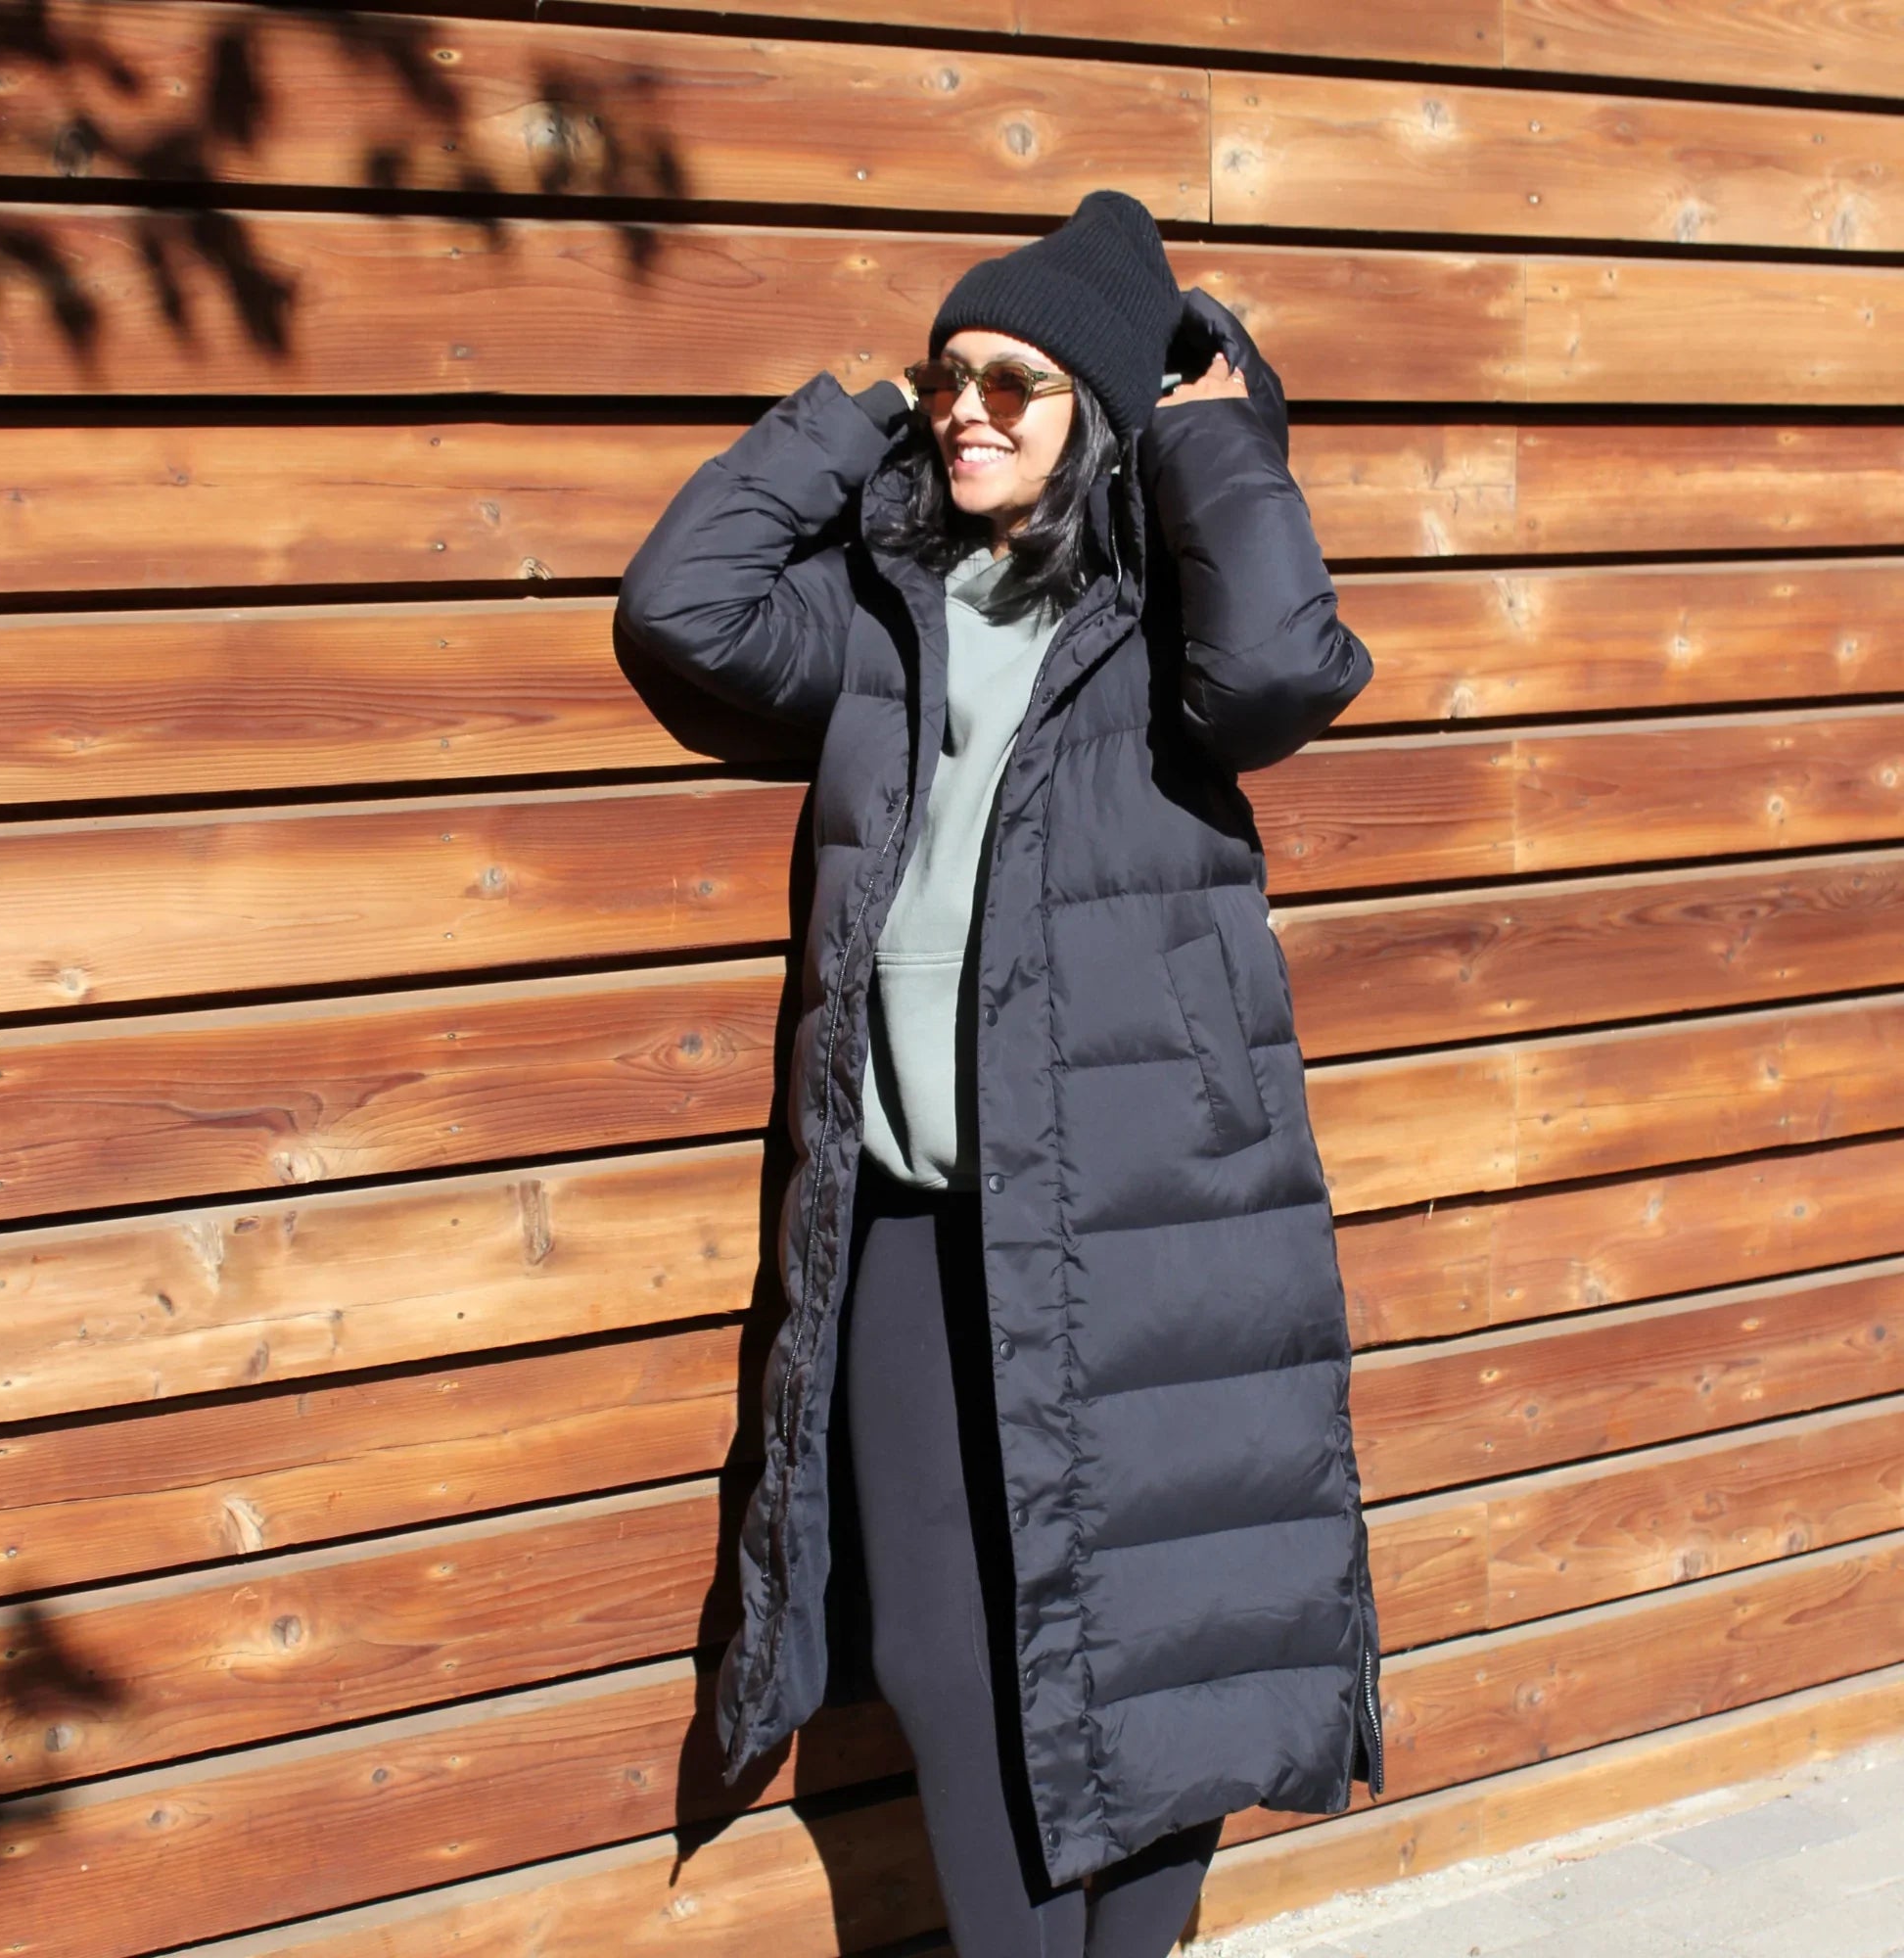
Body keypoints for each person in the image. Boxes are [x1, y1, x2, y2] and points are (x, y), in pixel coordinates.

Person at [618, 188, 1386, 1958]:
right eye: (945, 374)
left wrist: (1213, 429)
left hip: (1146, 1209)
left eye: (1012, 384)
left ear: (1098, 413)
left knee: (1171, 1639)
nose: (965, 408)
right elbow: (683, 606)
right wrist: (864, 417)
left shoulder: (1163, 621)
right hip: (910, 1217)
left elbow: (1286, 665)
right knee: (939, 1656)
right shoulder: (881, 619)